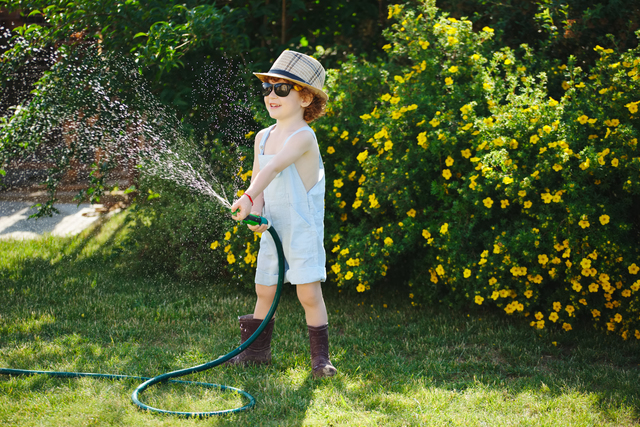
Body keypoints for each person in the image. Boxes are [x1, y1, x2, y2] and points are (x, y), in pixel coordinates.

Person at [229, 50, 336, 378]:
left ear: (305, 99)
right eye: (267, 89)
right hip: (274, 226)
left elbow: (275, 167)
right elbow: (259, 181)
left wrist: (246, 197)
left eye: (281, 89)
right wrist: (255, 210)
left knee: (308, 292)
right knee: (265, 289)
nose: (271, 96)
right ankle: (256, 352)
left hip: (301, 228)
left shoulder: (304, 136)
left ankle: (321, 360)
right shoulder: (263, 137)